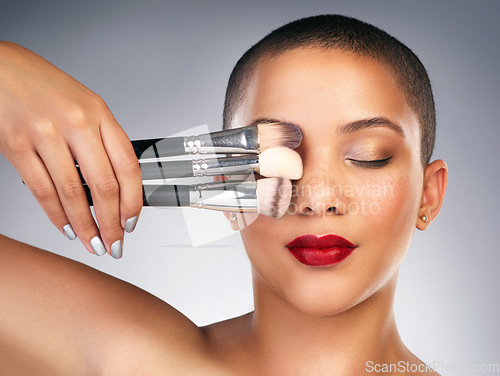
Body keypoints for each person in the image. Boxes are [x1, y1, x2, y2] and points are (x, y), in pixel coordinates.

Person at [0, 15, 447, 375]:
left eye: (369, 156)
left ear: (428, 196)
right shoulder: (129, 358)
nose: (317, 199)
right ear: (223, 195)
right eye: (277, 157)